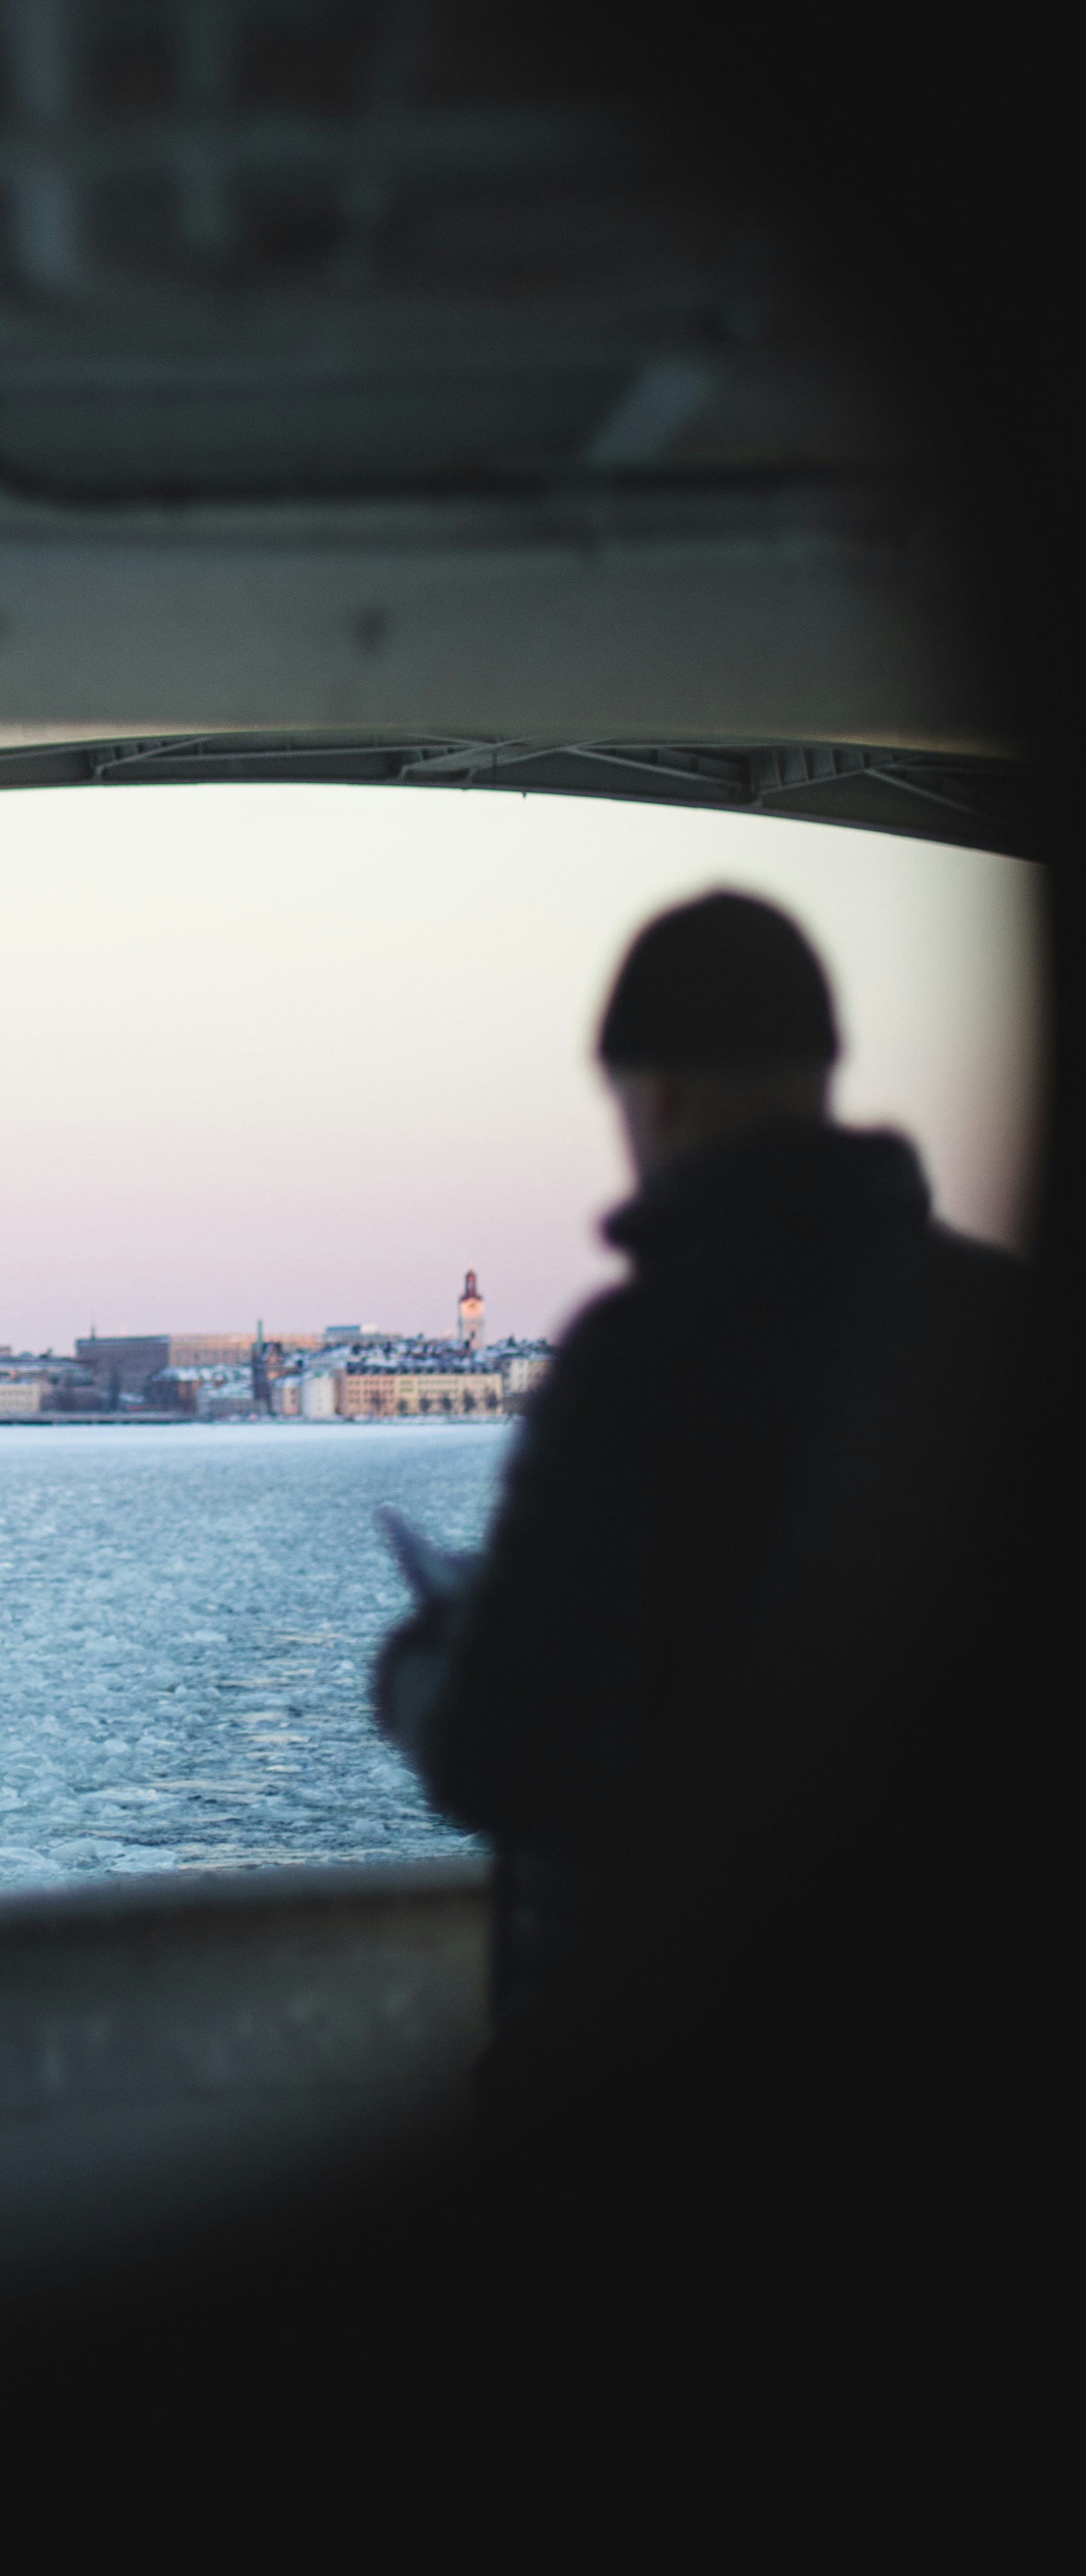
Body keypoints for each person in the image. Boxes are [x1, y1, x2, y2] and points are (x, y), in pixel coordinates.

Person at [372, 887, 1028, 2132]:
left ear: (650, 1094)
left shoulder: (639, 1355)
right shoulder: (1000, 1322)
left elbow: (516, 1755)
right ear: (822, 1071)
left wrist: (418, 1665)